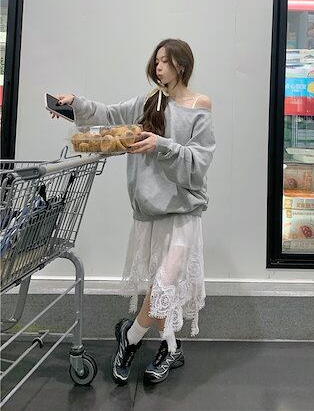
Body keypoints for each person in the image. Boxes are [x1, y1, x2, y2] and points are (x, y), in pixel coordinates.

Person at [52, 39, 216, 385]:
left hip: (183, 209)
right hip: (149, 207)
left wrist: (161, 145)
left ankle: (129, 338)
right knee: (159, 288)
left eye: (165, 61)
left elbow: (200, 161)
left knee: (165, 283)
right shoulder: (148, 102)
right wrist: (74, 105)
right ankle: (170, 348)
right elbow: (109, 115)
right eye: (156, 61)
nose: (158, 67)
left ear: (181, 65)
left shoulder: (200, 104)